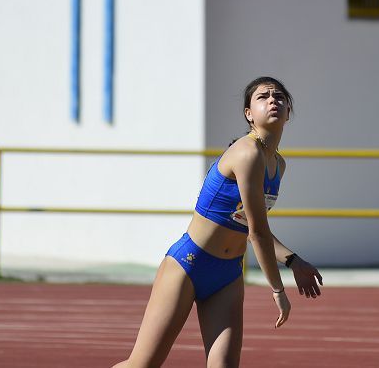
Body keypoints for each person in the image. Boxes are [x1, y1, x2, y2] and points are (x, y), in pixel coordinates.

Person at [113, 76, 323, 367]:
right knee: (142, 364)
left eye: (279, 97)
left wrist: (293, 261)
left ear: (288, 112)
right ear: (249, 114)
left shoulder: (279, 165)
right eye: (263, 97)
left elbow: (250, 225)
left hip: (227, 275)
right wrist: (277, 289)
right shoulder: (247, 153)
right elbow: (258, 234)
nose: (273, 100)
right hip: (189, 264)